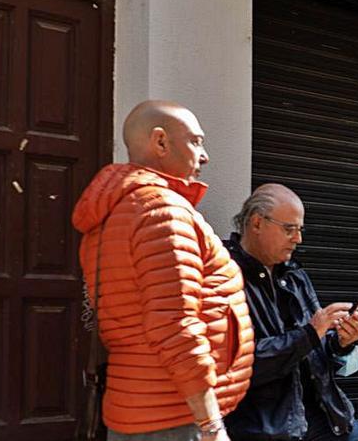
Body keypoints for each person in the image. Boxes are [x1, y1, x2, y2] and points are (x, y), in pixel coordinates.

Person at [72, 100, 254, 441]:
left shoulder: (115, 211)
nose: (204, 156)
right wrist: (211, 424)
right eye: (196, 141)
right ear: (160, 142)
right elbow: (175, 325)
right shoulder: (162, 211)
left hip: (141, 404)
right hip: (173, 415)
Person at [223, 184, 358, 441]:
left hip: (327, 419)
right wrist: (311, 332)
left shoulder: (296, 276)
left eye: (300, 229)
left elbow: (317, 355)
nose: (298, 238)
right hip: (267, 429)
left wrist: (341, 344)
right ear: (256, 223)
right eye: (289, 229)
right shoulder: (224, 275)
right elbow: (241, 365)